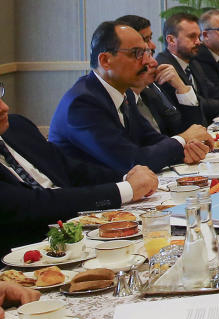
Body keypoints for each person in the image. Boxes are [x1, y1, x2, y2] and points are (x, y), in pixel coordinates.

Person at [0, 86, 159, 254]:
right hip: (26, 254)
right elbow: (34, 203)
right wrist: (125, 189)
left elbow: (71, 169)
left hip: (81, 233)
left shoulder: (17, 127)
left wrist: (126, 177)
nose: (5, 107)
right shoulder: (82, 100)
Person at [48, 21, 211, 178]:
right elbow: (131, 162)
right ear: (105, 61)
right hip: (90, 200)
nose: (148, 61)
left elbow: (151, 139)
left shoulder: (123, 94)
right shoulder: (83, 103)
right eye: (137, 54)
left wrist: (188, 147)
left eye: (146, 53)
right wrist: (183, 139)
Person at [115, 14, 205, 136]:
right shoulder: (116, 97)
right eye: (145, 40)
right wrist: (183, 139)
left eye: (150, 39)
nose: (153, 45)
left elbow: (186, 127)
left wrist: (182, 88)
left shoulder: (149, 90)